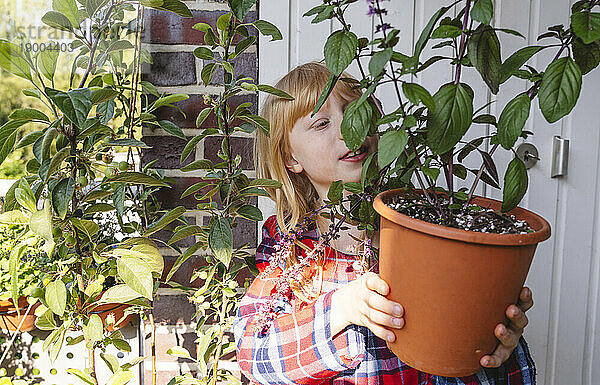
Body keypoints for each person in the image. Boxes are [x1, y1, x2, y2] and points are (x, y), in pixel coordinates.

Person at [233, 62, 535, 384]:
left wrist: (497, 342)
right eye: (321, 123)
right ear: (291, 158)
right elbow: (253, 353)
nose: (349, 129)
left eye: (356, 112)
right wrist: (340, 310)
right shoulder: (290, 249)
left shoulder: (419, 223)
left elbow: (470, 333)